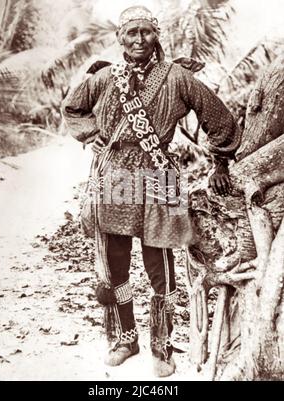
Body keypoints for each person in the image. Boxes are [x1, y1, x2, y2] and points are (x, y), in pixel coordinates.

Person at [62, 5, 241, 377]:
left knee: (160, 263)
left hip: (158, 176)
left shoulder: (177, 77)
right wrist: (91, 135)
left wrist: (220, 161)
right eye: (131, 33)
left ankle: (161, 344)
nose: (139, 39)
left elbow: (218, 116)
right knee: (115, 262)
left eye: (146, 32)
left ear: (155, 36)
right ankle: (126, 338)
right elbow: (73, 108)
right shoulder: (106, 77)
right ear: (120, 39)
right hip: (114, 177)